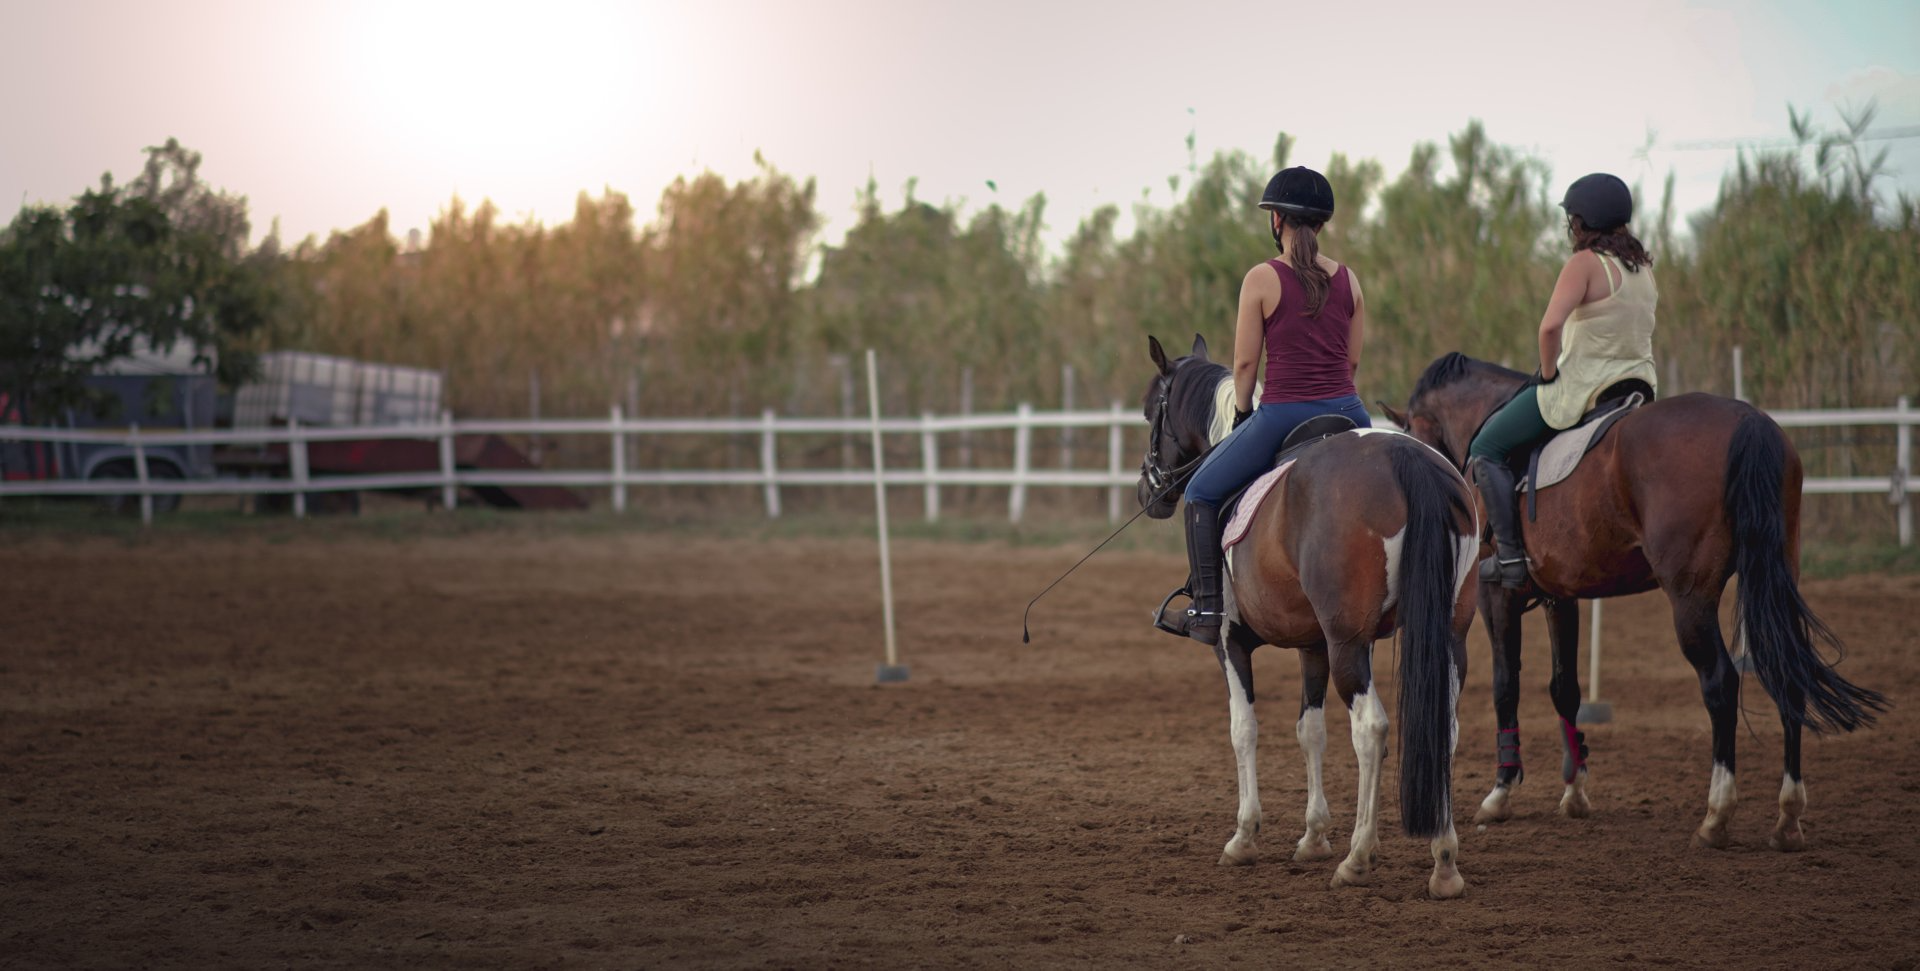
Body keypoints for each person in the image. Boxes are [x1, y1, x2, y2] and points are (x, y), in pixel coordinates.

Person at [1165, 166, 1372, 644]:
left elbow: (1243, 365)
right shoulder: (1350, 280)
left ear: (1276, 219)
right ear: (1321, 223)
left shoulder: (1261, 278)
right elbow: (1352, 361)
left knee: (1199, 492)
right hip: (1351, 413)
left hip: (1283, 414)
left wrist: (1242, 415)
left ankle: (1208, 609)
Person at [1468, 173, 1658, 588]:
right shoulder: (1642, 269)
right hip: (1638, 388)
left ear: (1582, 221)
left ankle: (1510, 558)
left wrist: (1548, 373)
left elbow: (1549, 327)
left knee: (1486, 447)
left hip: (1585, 388)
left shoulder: (1585, 264)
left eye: (1573, 219)